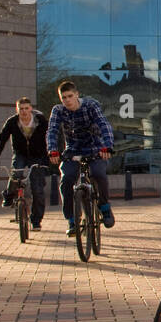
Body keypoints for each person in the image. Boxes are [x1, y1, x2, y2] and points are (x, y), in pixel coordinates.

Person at [47, 81, 116, 235]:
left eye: (70, 96)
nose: (67, 100)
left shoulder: (90, 106)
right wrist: (52, 150)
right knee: (66, 180)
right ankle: (72, 220)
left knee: (98, 174)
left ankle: (104, 208)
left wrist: (107, 146)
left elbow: (103, 124)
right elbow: (52, 131)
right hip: (73, 151)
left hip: (95, 148)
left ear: (77, 94)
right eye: (63, 98)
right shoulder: (58, 111)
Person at [0, 98, 50, 230]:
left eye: (26, 108)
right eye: (21, 109)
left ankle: (36, 220)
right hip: (20, 154)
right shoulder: (12, 122)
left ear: (31, 109)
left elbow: (49, 140)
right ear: (17, 110)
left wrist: (47, 160)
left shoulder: (41, 121)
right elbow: (1, 142)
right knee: (16, 173)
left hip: (37, 156)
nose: (24, 111)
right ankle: (9, 195)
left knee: (37, 189)